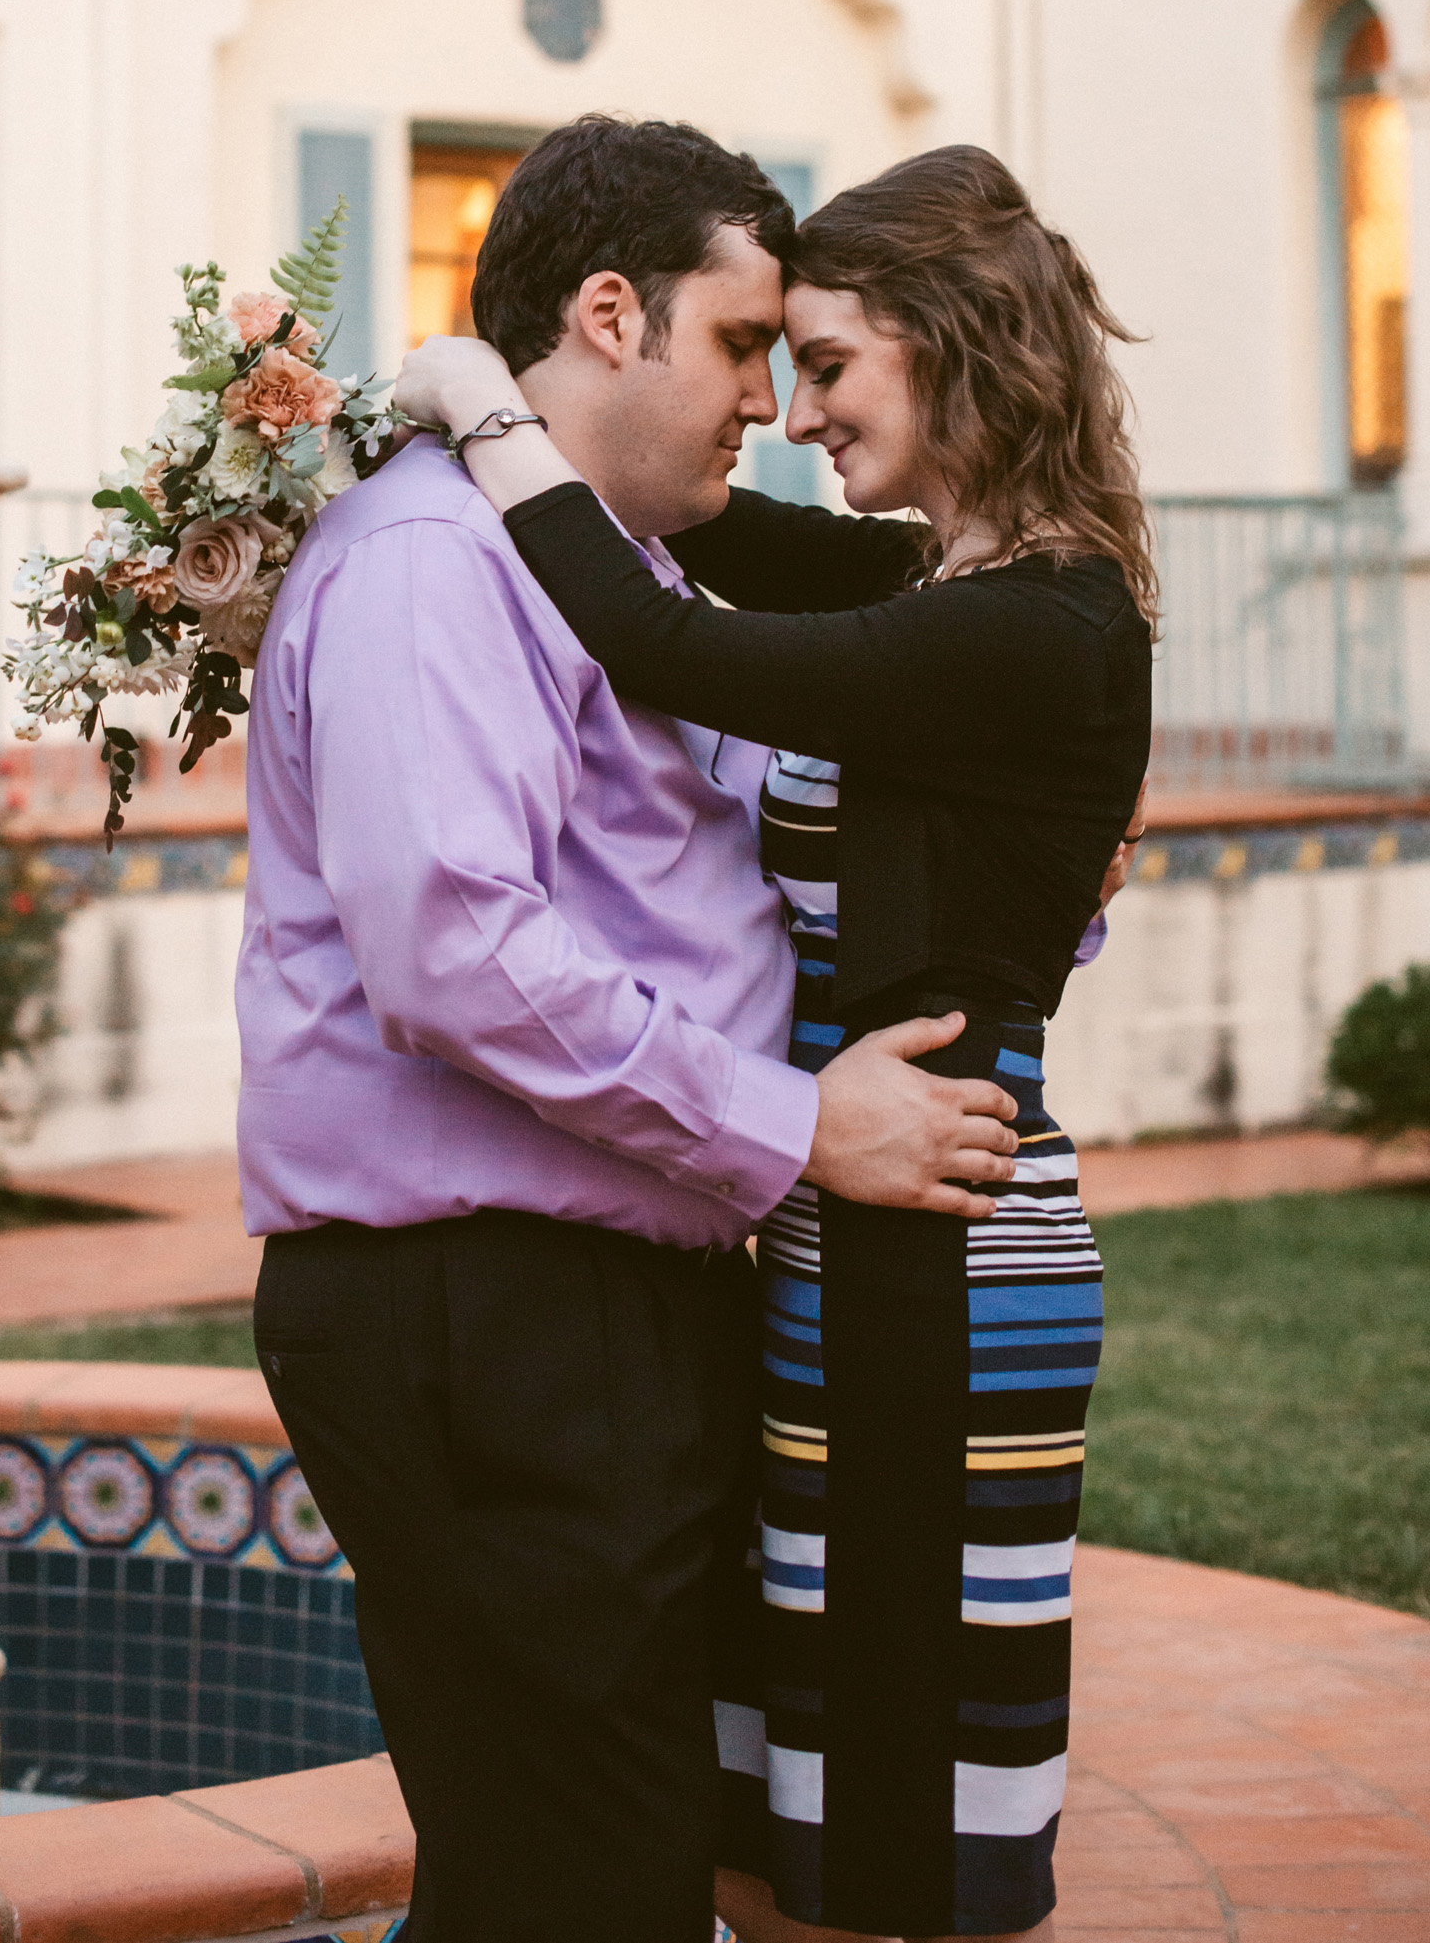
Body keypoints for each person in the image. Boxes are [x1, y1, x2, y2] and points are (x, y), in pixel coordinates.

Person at [235, 120, 1032, 1943]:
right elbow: (456, 947)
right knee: (583, 1879)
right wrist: (793, 1124)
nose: (766, 399)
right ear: (610, 314)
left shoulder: (609, 565)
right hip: (492, 1303)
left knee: (589, 1861)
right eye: (745, 344)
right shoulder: (438, 563)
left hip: (581, 1300)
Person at [393, 139, 1156, 1943]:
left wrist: (467, 395)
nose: (793, 410)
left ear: (956, 345)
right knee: (800, 1810)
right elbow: (693, 524)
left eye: (825, 363)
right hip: (853, 1233)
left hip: (941, 1258)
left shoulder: (1034, 627)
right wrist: (515, 406)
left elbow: (655, 633)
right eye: (776, 363)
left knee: (893, 1839)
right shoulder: (940, 584)